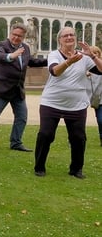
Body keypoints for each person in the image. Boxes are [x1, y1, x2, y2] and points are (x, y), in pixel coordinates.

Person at [33, 27, 102, 179]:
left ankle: (76, 169)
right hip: (51, 102)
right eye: (66, 35)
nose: (69, 37)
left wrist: (93, 57)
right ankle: (39, 166)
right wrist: (69, 61)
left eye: (72, 35)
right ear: (60, 39)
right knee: (46, 134)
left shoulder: (84, 57)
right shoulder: (54, 54)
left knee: (78, 137)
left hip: (77, 104)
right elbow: (55, 72)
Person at [0, 23, 47, 152]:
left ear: (24, 37)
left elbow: (31, 61)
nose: (16, 38)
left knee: (22, 118)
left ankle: (16, 143)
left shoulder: (25, 48)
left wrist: (50, 59)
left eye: (20, 36)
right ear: (10, 33)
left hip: (17, 90)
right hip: (2, 89)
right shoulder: (3, 45)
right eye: (14, 34)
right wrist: (11, 56)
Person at [87, 46, 102, 146]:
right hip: (86, 97)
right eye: (92, 53)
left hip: (100, 98)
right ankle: (72, 139)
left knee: (101, 120)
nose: (94, 55)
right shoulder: (85, 67)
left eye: (96, 53)